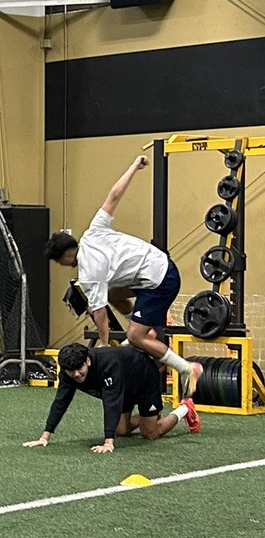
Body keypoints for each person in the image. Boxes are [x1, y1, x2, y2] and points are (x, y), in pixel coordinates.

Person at [44, 154, 203, 397]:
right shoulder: (92, 232)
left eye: (59, 261)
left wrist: (105, 349)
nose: (61, 265)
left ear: (66, 255)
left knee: (134, 337)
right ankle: (142, 326)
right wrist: (134, 166)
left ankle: (187, 368)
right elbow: (114, 196)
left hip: (159, 281)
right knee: (111, 293)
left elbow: (99, 316)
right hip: (159, 266)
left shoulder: (88, 273)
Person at [23, 342, 201, 454]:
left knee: (150, 434)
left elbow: (111, 403)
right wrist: (44, 437)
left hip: (143, 378)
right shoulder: (69, 373)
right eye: (72, 371)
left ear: (88, 361)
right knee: (122, 430)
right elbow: (61, 401)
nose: (77, 375)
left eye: (80, 369)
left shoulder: (108, 365)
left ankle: (185, 408)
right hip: (123, 384)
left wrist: (108, 443)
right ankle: (150, 417)